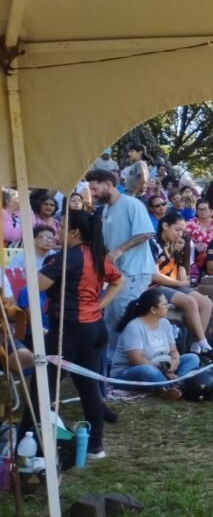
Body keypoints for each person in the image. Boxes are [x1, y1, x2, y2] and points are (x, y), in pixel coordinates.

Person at [29, 209, 124, 459]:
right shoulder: (96, 254)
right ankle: (95, 446)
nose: (56, 231)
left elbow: (36, 285)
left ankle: (29, 446)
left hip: (70, 331)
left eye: (61, 227)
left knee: (40, 386)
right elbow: (117, 280)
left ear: (74, 232)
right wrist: (99, 306)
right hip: (94, 329)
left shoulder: (67, 257)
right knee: (88, 386)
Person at [87, 169, 159, 358]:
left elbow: (146, 233)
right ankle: (114, 362)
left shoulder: (131, 203)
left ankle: (135, 359)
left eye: (95, 189)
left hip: (135, 271)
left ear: (109, 185)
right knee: (111, 318)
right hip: (117, 274)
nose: (92, 194)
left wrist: (121, 249)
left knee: (125, 315)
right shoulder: (106, 210)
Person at [111, 288, 201, 400]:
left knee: (192, 358)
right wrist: (164, 371)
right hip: (128, 373)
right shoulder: (134, 327)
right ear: (153, 309)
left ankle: (171, 386)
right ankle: (173, 386)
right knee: (147, 370)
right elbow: (136, 360)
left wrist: (175, 362)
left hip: (161, 367)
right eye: (164, 304)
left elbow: (173, 351)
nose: (167, 307)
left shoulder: (165, 323)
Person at [151, 212, 213, 354]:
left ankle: (196, 347)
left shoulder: (172, 245)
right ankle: (204, 344)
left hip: (172, 284)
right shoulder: (153, 244)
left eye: (182, 231)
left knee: (206, 303)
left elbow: (180, 268)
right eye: (177, 230)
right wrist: (179, 283)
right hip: (154, 287)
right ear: (165, 226)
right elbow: (154, 276)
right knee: (190, 302)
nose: (180, 234)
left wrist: (182, 279)